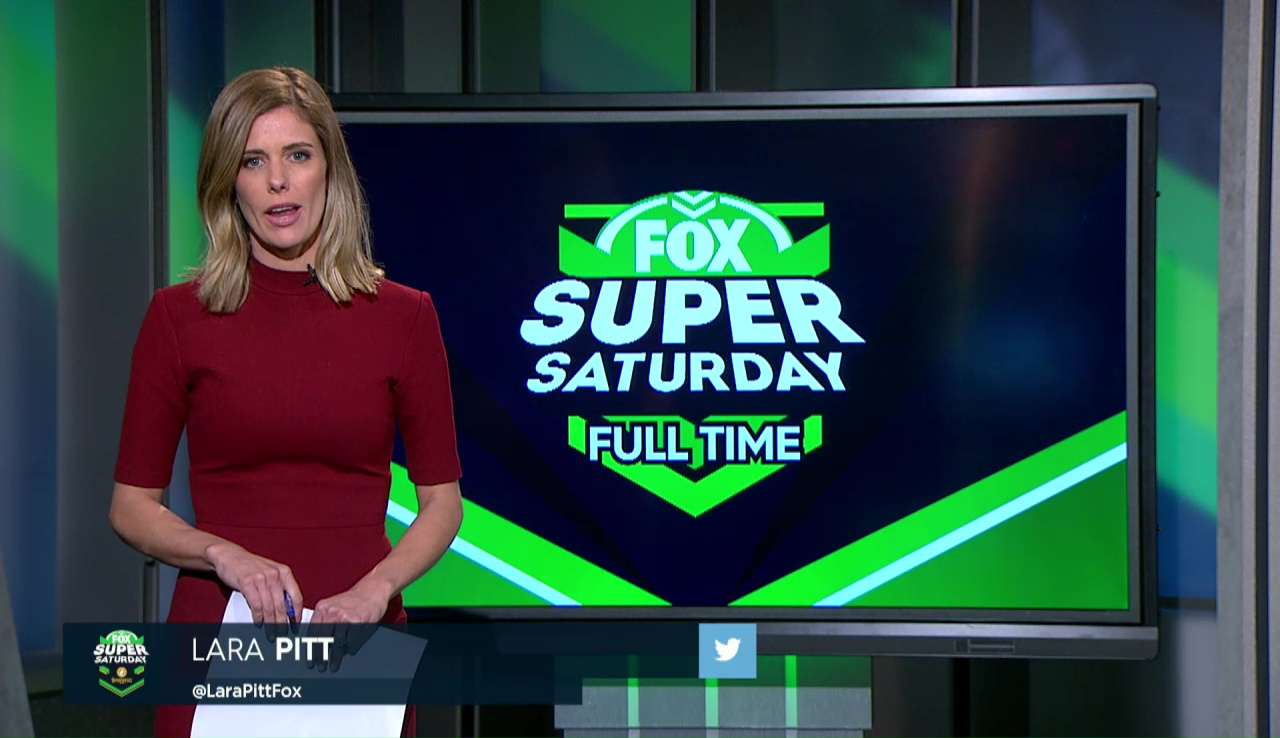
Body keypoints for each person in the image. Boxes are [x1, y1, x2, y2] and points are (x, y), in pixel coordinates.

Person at [109, 66, 463, 738]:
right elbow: (130, 507)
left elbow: (442, 505)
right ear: (228, 182)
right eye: (253, 160)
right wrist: (222, 555)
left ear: (329, 169)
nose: (278, 180)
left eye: (297, 155)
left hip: (359, 636)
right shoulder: (177, 318)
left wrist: (376, 589)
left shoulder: (405, 317)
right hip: (219, 632)